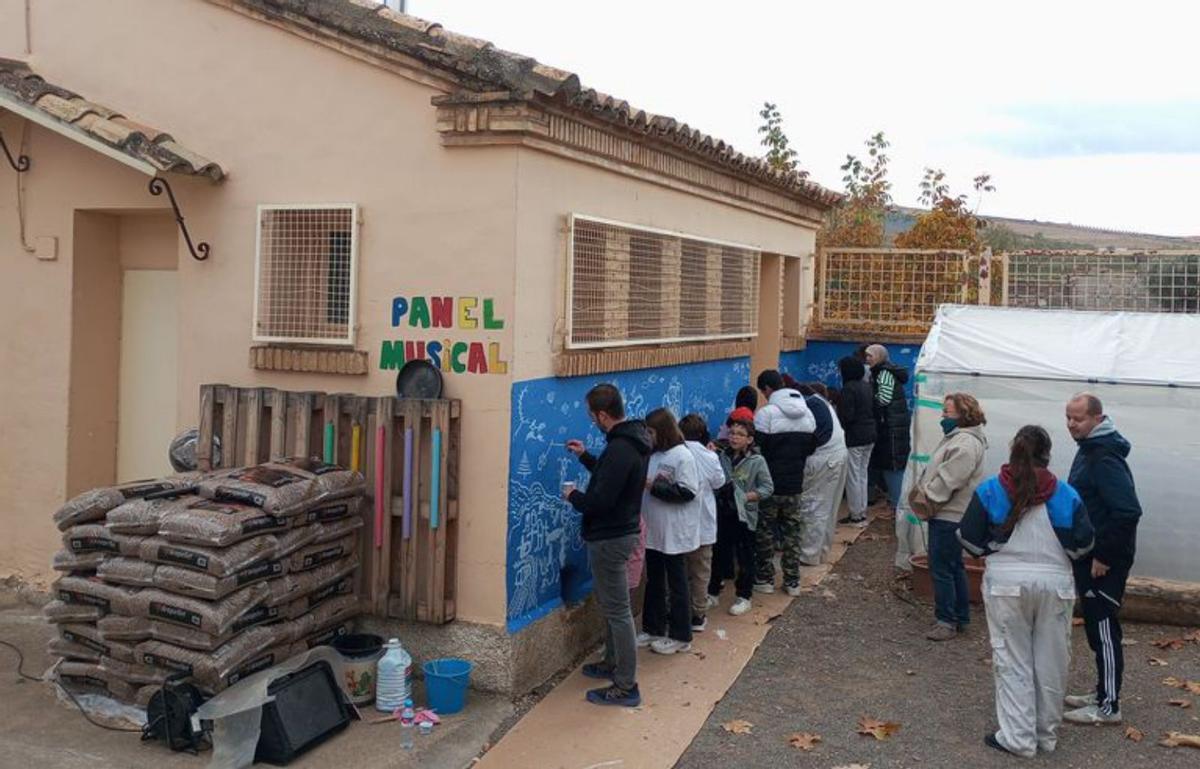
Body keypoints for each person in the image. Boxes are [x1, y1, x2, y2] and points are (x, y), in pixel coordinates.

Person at [959, 426, 1094, 757]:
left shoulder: (991, 489)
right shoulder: (1065, 493)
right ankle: (1045, 736)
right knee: (1052, 660)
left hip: (1006, 583)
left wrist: (994, 546)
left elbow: (969, 540)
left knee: (1012, 659)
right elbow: (1084, 545)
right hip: (1056, 586)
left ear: (1012, 451)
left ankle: (1017, 738)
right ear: (1048, 454)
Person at [564, 384, 652, 707]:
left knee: (618, 611)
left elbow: (601, 500)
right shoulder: (630, 442)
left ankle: (626, 685)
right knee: (612, 604)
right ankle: (612, 663)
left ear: (603, 415)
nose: (592, 421)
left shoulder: (621, 449)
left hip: (611, 536)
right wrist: (586, 456)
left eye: (591, 416)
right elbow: (613, 478)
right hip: (620, 532)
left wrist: (573, 496)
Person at [1062, 393, 1143, 726]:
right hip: (1089, 554)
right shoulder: (1090, 449)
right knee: (1096, 628)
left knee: (1105, 629)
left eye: (1078, 418)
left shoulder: (1103, 457)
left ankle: (1109, 705)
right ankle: (1101, 692)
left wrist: (1104, 556)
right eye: (1067, 417)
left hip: (1104, 560)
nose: (1071, 424)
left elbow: (1127, 512)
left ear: (1097, 418)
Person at [908, 393, 988, 640]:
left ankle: (946, 620)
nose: (942, 416)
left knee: (942, 568)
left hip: (949, 514)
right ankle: (960, 617)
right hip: (951, 513)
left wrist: (927, 499)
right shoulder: (961, 439)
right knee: (954, 567)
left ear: (962, 415)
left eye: (947, 412)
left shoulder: (964, 443)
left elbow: (950, 479)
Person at [637, 408, 702, 655]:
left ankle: (680, 634)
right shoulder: (654, 455)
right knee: (654, 580)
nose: (649, 436)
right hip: (654, 529)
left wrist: (655, 487)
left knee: (676, 582)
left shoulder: (682, 456)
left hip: (674, 531)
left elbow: (687, 492)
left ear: (663, 432)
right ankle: (653, 627)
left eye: (652, 431)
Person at [752, 370, 817, 596]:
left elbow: (758, 450)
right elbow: (812, 446)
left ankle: (765, 579)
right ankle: (792, 581)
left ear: (767, 389)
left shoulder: (765, 414)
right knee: (793, 532)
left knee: (765, 531)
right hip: (795, 484)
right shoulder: (807, 413)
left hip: (770, 485)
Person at [708, 409, 774, 616]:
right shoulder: (722, 456)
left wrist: (747, 497)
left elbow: (767, 488)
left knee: (745, 556)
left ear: (749, 439)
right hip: (723, 512)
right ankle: (712, 593)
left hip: (745, 515)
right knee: (719, 553)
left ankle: (744, 596)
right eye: (732, 433)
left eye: (740, 434)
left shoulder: (757, 461)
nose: (734, 437)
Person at [678, 414, 727, 633]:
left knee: (679, 571)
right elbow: (720, 482)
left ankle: (677, 611)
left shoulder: (674, 454)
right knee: (700, 572)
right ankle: (698, 614)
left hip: (679, 523)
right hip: (704, 522)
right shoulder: (709, 456)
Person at [797, 383, 848, 564]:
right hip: (838, 454)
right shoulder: (821, 402)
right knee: (828, 508)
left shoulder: (808, 405)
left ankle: (808, 555)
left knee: (814, 507)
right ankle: (820, 552)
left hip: (825, 459)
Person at [865, 344, 911, 511]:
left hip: (891, 427)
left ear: (879, 357)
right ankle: (895, 503)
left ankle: (898, 506)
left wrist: (869, 398)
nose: (867, 359)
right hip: (893, 424)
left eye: (870, 355)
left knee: (892, 465)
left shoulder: (883, 373)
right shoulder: (884, 371)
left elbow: (884, 399)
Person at [837, 356, 876, 526]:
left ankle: (855, 514)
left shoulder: (848, 389)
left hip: (854, 437)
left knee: (852, 475)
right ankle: (861, 511)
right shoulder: (867, 387)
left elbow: (847, 416)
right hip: (870, 434)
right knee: (862, 473)